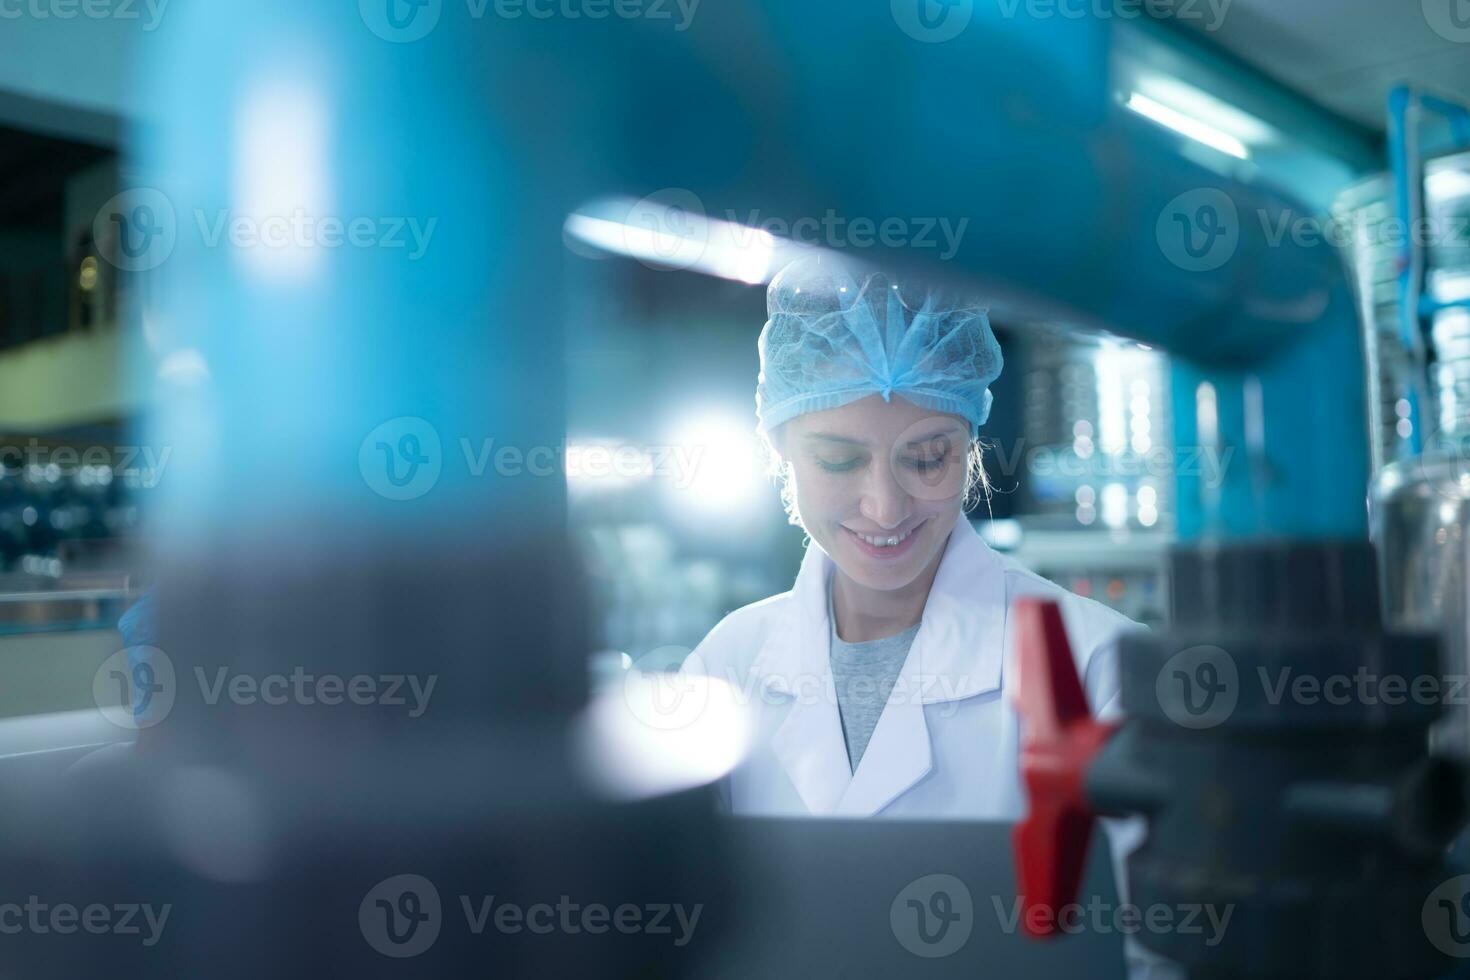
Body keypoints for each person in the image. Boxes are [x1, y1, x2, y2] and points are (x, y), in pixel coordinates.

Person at [682, 255, 1143, 819]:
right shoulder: (728, 664)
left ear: (970, 442)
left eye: (926, 459)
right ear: (781, 449)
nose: (885, 506)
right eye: (838, 460)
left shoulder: (1098, 666)